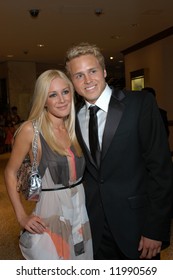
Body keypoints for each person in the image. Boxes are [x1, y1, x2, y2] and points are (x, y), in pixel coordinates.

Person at [65, 42, 173, 260]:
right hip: (94, 227)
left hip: (137, 225)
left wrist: (155, 228)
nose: (87, 80)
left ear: (104, 71)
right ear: (72, 82)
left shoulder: (139, 104)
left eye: (92, 71)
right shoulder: (72, 118)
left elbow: (160, 170)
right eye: (79, 75)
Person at [4, 69, 93, 260]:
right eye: (53, 94)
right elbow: (10, 172)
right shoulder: (31, 130)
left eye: (65, 92)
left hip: (80, 208)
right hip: (52, 211)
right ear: (43, 100)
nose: (61, 100)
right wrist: (21, 216)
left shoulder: (75, 127)